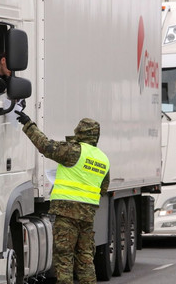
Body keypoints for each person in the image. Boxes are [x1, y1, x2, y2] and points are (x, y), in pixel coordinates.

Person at [14, 111, 110, 284]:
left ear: (79, 133)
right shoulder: (103, 159)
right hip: (87, 216)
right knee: (86, 259)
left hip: (67, 214)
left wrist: (28, 124)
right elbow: (103, 188)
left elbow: (45, 146)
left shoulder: (74, 151)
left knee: (64, 258)